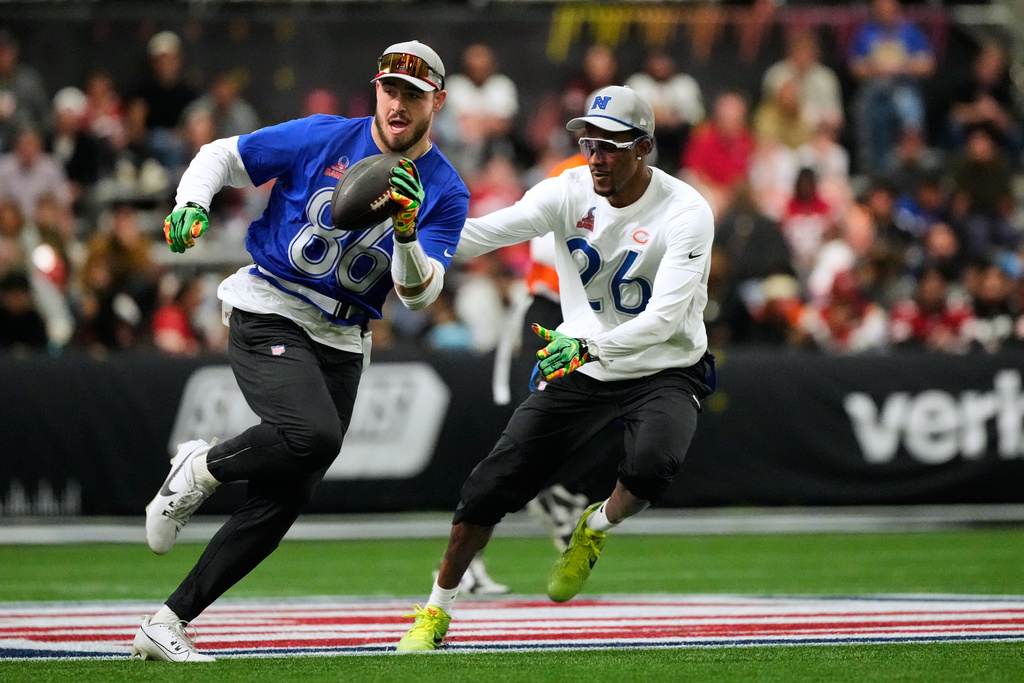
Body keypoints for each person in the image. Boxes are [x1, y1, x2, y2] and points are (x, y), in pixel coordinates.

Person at [130, 40, 468, 662]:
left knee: (286, 498)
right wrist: (191, 203)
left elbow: (418, 297)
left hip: (344, 335)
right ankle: (200, 468)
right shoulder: (321, 138)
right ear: (376, 90)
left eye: (413, 95)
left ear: (436, 103)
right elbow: (221, 155)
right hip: (271, 304)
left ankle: (166, 622)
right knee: (314, 435)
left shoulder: (445, 188)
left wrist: (407, 232)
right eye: (390, 89)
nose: (398, 104)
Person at [397, 85, 716, 651]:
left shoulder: (687, 210)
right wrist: (408, 229)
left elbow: (665, 320)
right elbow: (484, 235)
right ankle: (435, 610)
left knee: (651, 468)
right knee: (487, 488)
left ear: (644, 147)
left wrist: (590, 349)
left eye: (611, 146)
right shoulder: (568, 190)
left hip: (664, 365)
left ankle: (594, 529)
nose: (596, 157)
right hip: (583, 360)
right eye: (589, 144)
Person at [848, 0, 935, 174]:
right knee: (869, 112)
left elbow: (928, 65)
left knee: (910, 111)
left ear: (897, 8)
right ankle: (872, 167)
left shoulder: (909, 31)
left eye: (889, 7)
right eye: (880, 7)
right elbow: (853, 67)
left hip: (903, 87)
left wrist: (903, 67)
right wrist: (875, 68)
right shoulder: (867, 32)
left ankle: (912, 165)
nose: (885, 11)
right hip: (874, 87)